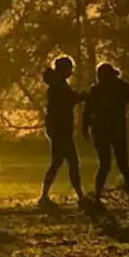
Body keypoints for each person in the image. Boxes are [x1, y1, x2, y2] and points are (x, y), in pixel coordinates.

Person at [82, 62, 129, 205]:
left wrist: (85, 127)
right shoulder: (105, 89)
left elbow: (87, 111)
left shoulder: (101, 89)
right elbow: (88, 111)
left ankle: (100, 197)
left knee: (111, 165)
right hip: (111, 130)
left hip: (107, 130)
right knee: (117, 164)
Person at [38, 55, 88, 208]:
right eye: (69, 68)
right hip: (61, 129)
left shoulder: (57, 84)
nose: (71, 71)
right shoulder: (58, 85)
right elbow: (68, 100)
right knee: (72, 162)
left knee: (57, 163)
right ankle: (80, 198)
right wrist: (82, 96)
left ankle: (44, 197)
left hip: (57, 129)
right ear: (63, 69)